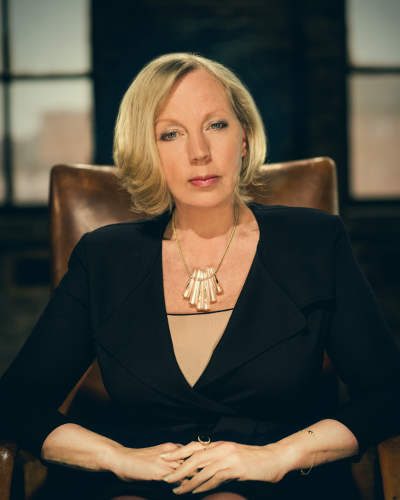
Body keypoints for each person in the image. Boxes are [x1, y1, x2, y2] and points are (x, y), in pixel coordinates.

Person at [0, 52, 399, 500]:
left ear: (244, 138)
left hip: (281, 482)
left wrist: (278, 456)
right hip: (138, 484)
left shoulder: (315, 241)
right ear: (148, 151)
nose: (199, 153)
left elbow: (388, 394)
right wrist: (117, 457)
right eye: (171, 134)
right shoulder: (104, 257)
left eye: (216, 125)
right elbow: (15, 403)